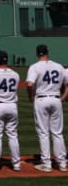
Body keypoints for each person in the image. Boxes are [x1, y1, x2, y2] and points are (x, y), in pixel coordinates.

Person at [26, 44, 68, 172]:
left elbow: (29, 84)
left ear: (36, 54)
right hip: (56, 99)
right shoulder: (59, 66)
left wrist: (31, 96)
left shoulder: (35, 67)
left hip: (42, 99)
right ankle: (62, 163)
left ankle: (47, 164)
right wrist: (63, 97)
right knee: (57, 133)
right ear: (47, 52)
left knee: (43, 133)